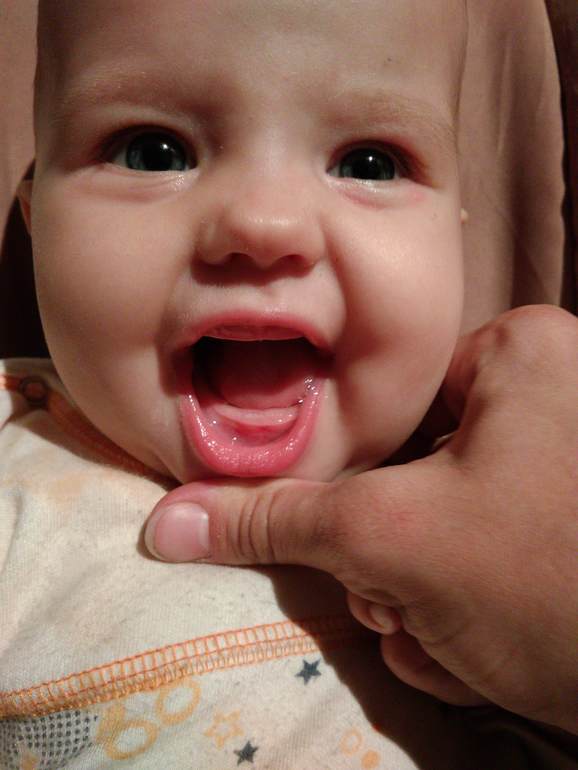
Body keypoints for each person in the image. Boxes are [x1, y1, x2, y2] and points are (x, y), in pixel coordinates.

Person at [0, 1, 576, 769]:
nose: (264, 225)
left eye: (369, 164)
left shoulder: (511, 524)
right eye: (152, 152)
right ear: (36, 221)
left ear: (456, 240)